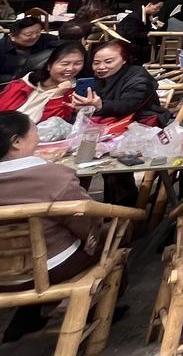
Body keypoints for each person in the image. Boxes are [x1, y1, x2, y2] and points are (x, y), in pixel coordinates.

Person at [0, 112, 104, 341]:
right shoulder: (53, 177)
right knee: (114, 234)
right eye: (34, 131)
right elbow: (84, 219)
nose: (38, 137)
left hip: (4, 272)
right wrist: (94, 234)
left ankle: (28, 316)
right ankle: (98, 312)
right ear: (16, 142)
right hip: (52, 267)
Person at [73, 41, 171, 206]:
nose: (101, 67)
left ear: (124, 60)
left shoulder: (138, 76)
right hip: (106, 130)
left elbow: (128, 105)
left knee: (114, 169)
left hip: (138, 130)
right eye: (96, 63)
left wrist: (100, 105)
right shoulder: (96, 80)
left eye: (109, 61)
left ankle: (121, 211)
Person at [0, 42, 86, 122]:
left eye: (78, 63)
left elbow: (52, 127)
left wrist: (58, 95)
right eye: (65, 64)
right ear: (49, 66)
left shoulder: (74, 94)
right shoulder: (27, 81)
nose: (71, 68)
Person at [0, 17, 60, 84]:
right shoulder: (2, 47)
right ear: (12, 36)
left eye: (38, 32)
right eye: (28, 34)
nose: (34, 36)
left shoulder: (44, 39)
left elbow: (63, 41)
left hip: (37, 82)